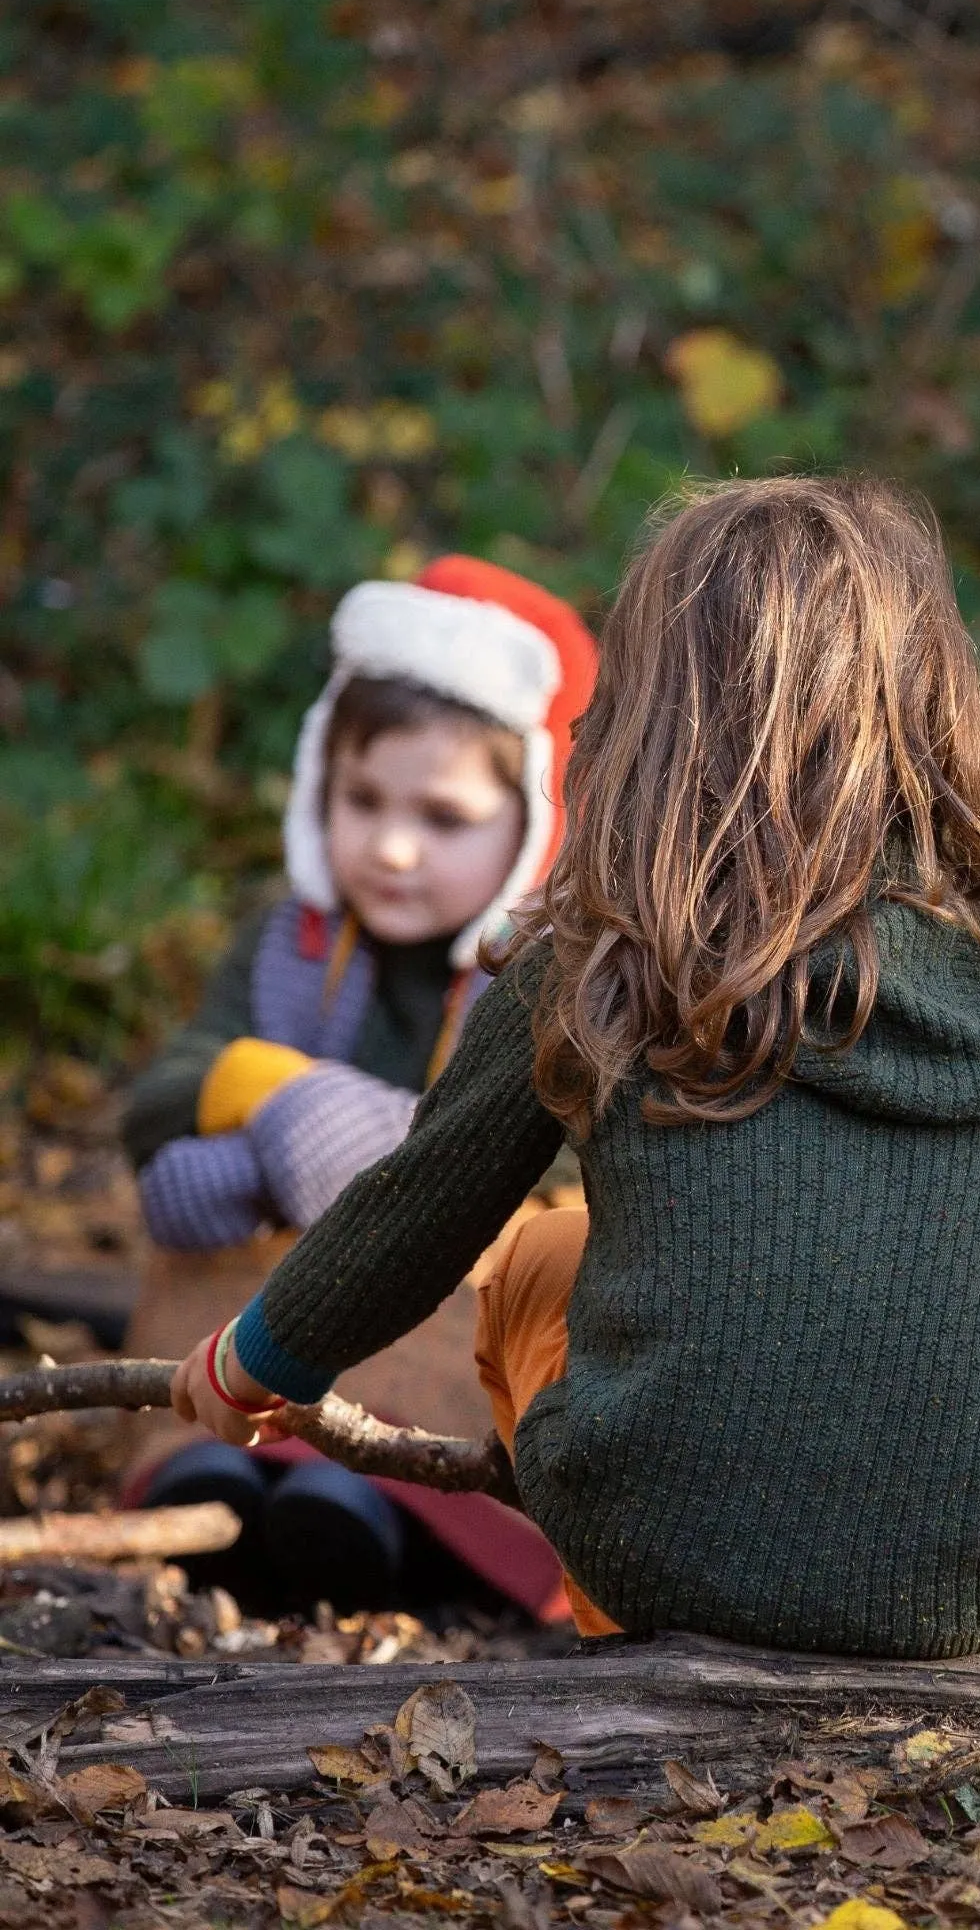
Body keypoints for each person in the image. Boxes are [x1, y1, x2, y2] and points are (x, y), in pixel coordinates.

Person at [166, 475, 980, 1658]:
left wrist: (255, 1361)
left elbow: (421, 1207)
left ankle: (613, 1623)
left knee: (533, 1250)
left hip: (666, 1562)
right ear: (927, 713)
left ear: (643, 715)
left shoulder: (596, 965)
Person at [120, 555, 598, 1617]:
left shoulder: (548, 974)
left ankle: (380, 1502)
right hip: (266, 1281)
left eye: (443, 817)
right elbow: (160, 1105)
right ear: (315, 787)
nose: (390, 845)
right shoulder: (287, 942)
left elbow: (561, 1158)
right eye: (362, 799)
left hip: (442, 1301)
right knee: (207, 1232)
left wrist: (340, 1145)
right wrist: (269, 1088)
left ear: (527, 821)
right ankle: (214, 1473)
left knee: (474, 1276)